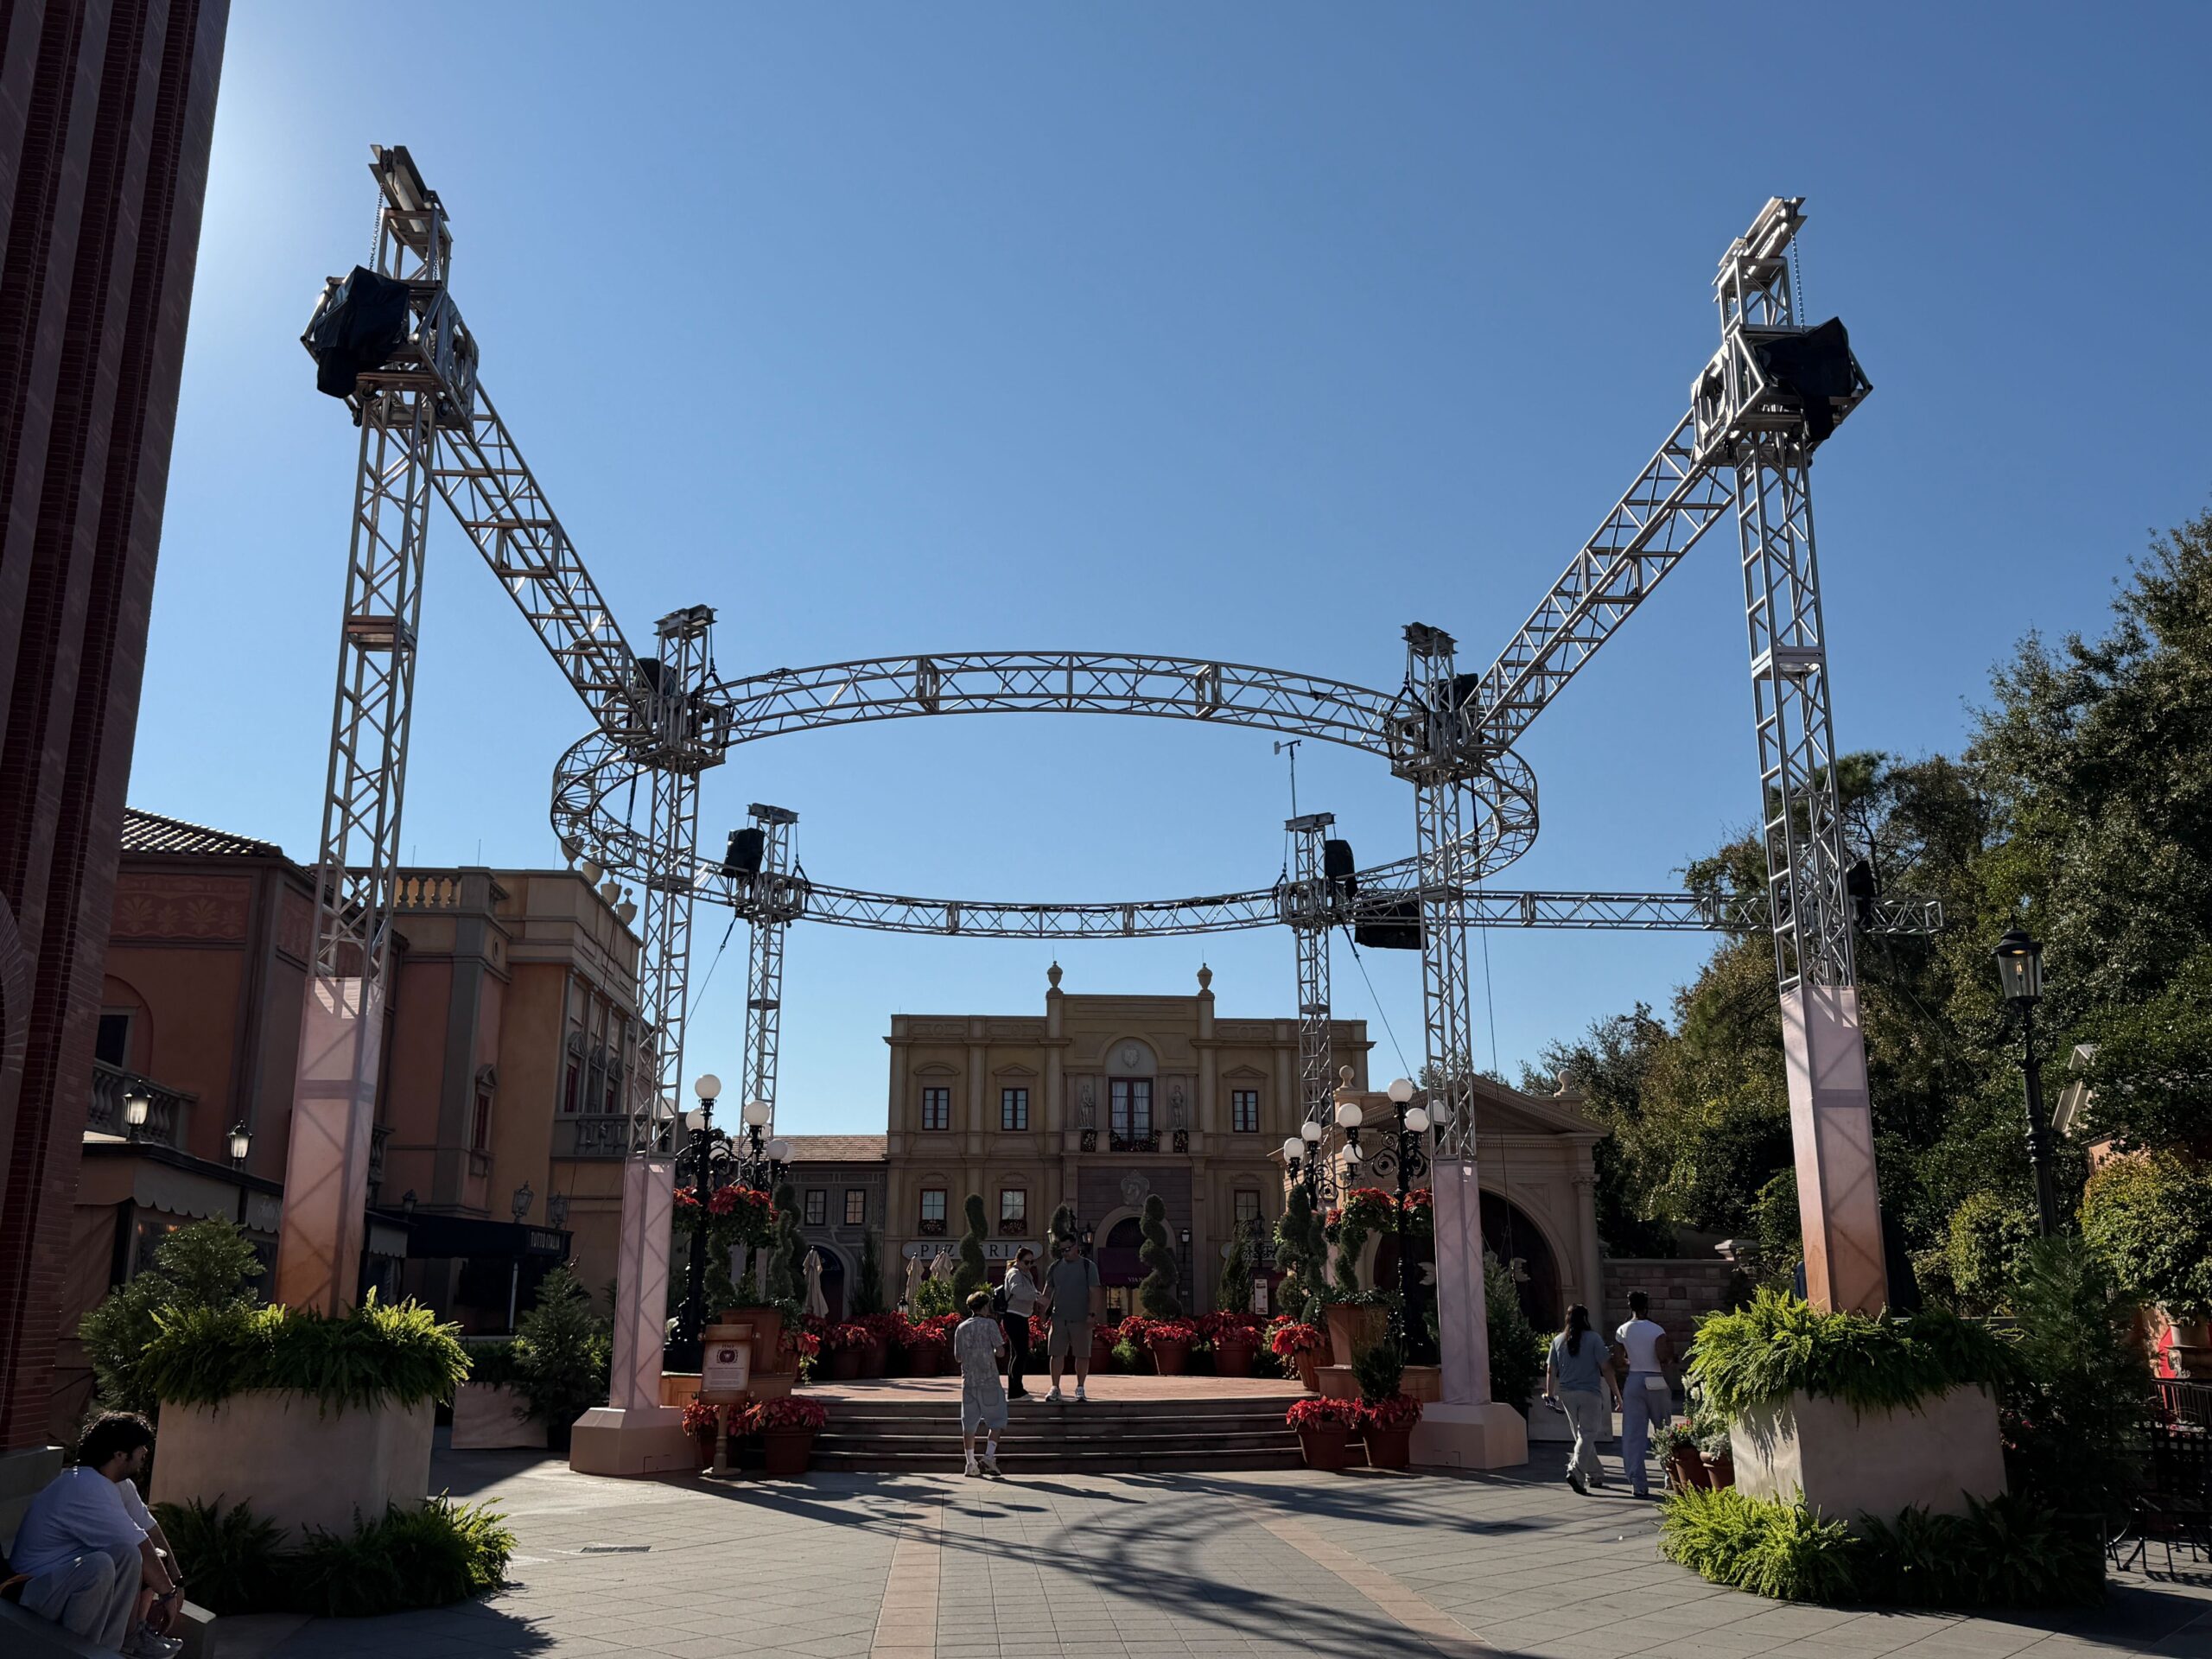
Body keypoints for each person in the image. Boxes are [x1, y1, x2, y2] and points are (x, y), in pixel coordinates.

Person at [10, 1412, 183, 1657]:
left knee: (126, 1553)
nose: (145, 1453)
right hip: (29, 1589)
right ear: (120, 1454)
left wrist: (177, 1580)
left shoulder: (115, 1484)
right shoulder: (85, 1486)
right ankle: (79, 1653)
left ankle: (113, 1647)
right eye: (140, 1447)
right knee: (99, 1565)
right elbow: (144, 1547)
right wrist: (168, 1595)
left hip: (60, 1584)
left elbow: (147, 1532)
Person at [1542, 1303, 1619, 1496]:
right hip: (1590, 1392)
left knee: (1582, 1435)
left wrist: (1550, 1395)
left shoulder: (1558, 1340)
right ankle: (1575, 1471)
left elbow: (1551, 1370)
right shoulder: (1594, 1339)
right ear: (1585, 1318)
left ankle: (1595, 1474)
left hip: (1567, 1393)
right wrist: (1617, 1393)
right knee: (1588, 1433)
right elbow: (1606, 1368)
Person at [1613, 1290, 1676, 1499]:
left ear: (1629, 1306)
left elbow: (1619, 1361)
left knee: (1633, 1434)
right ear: (1647, 1306)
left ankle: (1638, 1483)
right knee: (1663, 1429)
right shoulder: (1657, 1329)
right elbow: (1662, 1356)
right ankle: (1670, 1475)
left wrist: (1631, 1361)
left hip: (1634, 1381)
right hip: (1656, 1380)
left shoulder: (1623, 1330)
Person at [953, 1288, 1009, 1476]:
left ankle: (970, 1463)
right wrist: (990, 1352)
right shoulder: (990, 1324)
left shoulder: (961, 1328)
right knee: (997, 1420)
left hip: (969, 1381)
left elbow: (958, 1357)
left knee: (969, 1424)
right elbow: (1001, 1352)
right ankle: (988, 1456)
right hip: (989, 1380)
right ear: (985, 1306)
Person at [1040, 1233, 1100, 1402]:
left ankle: (1080, 1387)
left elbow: (1095, 1291)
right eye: (1062, 1251)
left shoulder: (1089, 1267)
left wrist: (1092, 1314)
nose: (1065, 1253)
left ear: (1076, 1247)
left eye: (1067, 1249)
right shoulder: (1055, 1267)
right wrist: (1042, 1313)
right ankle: (1055, 1387)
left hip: (1081, 1318)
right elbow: (1048, 1291)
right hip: (1059, 1318)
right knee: (1056, 1353)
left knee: (1082, 1354)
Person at [999, 1247, 1041, 1399]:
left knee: (1017, 1354)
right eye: (1026, 1262)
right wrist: (1036, 1296)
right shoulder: (1015, 1273)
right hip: (1014, 1316)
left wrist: (1036, 1295)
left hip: (1020, 1316)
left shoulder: (1025, 1273)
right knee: (1021, 1353)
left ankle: (1014, 1390)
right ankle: (1017, 1390)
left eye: (1032, 1262)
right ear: (1018, 1260)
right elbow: (1018, 1291)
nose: (1029, 1265)